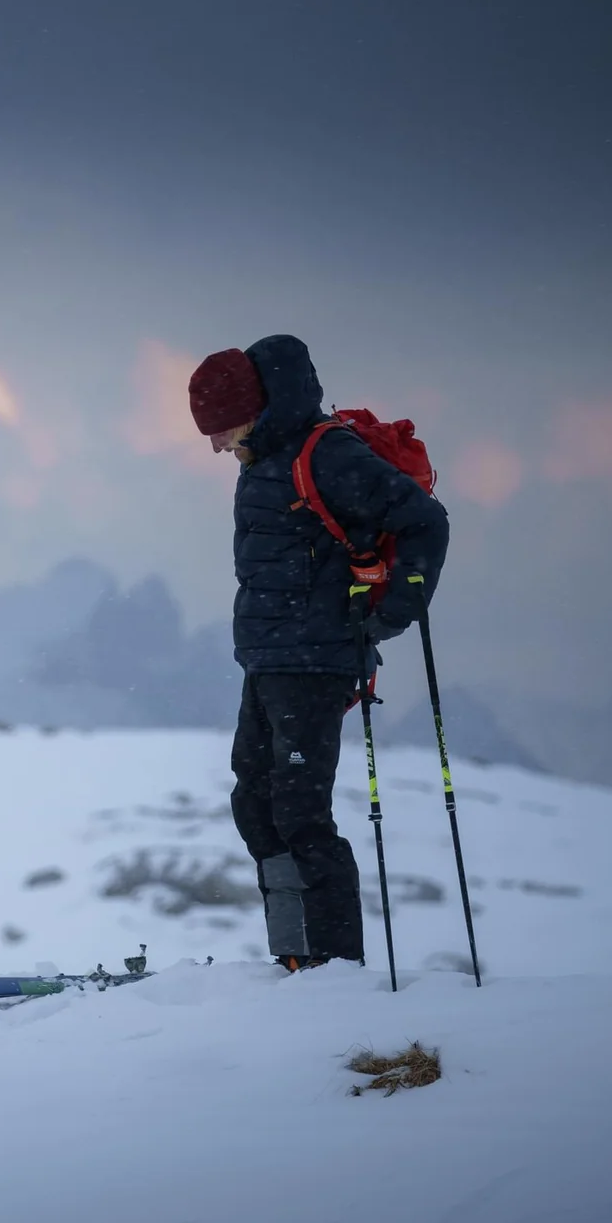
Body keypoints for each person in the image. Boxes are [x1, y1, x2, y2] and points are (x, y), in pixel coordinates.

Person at [188, 335, 449, 971]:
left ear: (254, 411)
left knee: (301, 815)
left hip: (319, 662)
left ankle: (334, 970)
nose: (218, 446)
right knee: (255, 804)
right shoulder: (265, 462)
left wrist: (392, 613)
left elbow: (425, 521)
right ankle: (295, 957)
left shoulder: (327, 453)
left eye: (222, 430)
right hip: (270, 662)